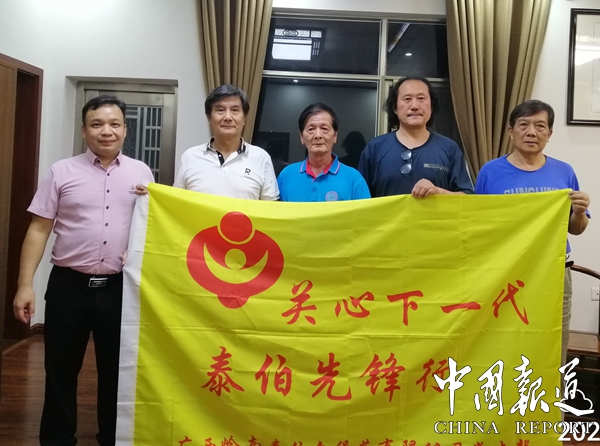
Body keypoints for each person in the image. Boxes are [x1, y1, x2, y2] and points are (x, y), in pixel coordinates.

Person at [12, 95, 155, 446]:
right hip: (68, 286)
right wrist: (25, 285)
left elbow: (152, 226)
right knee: (60, 370)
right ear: (84, 130)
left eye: (114, 124)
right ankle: (58, 439)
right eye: (97, 124)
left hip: (120, 288)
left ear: (125, 129)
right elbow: (38, 230)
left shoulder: (141, 172)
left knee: (117, 373)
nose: (106, 131)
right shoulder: (61, 171)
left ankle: (113, 438)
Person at [475, 99, 590, 365]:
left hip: (554, 272)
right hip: (506, 273)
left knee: (552, 344)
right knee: (502, 340)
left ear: (549, 133)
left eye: (540, 126)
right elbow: (480, 224)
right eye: (523, 125)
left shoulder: (564, 171)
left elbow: (576, 229)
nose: (531, 132)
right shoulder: (490, 172)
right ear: (510, 131)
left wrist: (580, 212)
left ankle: (552, 394)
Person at [358, 77, 473, 198]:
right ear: (395, 107)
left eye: (421, 98)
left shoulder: (449, 148)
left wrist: (439, 192)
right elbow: (359, 199)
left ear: (431, 106)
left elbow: (468, 197)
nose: (414, 106)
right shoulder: (375, 148)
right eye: (407, 99)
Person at [173, 84, 279, 200]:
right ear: (209, 118)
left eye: (235, 110)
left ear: (244, 118)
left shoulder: (261, 158)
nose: (228, 117)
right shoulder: (190, 157)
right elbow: (176, 202)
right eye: (220, 110)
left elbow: (270, 207)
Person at [277, 103, 370, 202]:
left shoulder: (354, 179)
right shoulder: (286, 176)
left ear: (335, 136)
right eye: (311, 129)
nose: (318, 135)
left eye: (324, 129)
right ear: (301, 137)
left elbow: (366, 212)